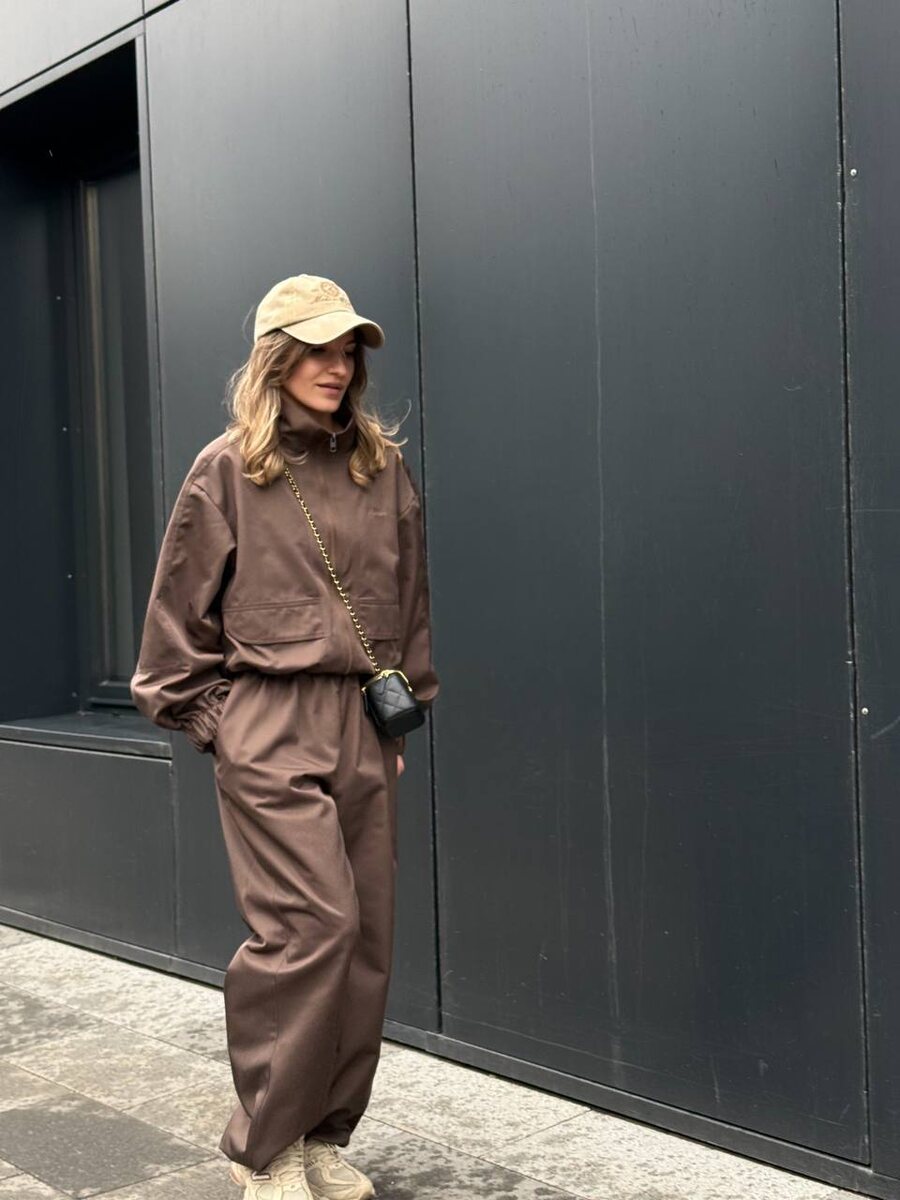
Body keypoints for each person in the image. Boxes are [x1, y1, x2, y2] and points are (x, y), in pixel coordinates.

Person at [130, 273, 440, 1200]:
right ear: (275, 359)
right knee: (311, 927)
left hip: (360, 722)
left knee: (366, 938)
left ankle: (322, 1137)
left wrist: (402, 716)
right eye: (317, 350)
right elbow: (173, 630)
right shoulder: (228, 469)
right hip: (267, 720)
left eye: (347, 351)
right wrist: (225, 726)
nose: (336, 367)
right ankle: (264, 1148)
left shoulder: (382, 469)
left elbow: (410, 602)